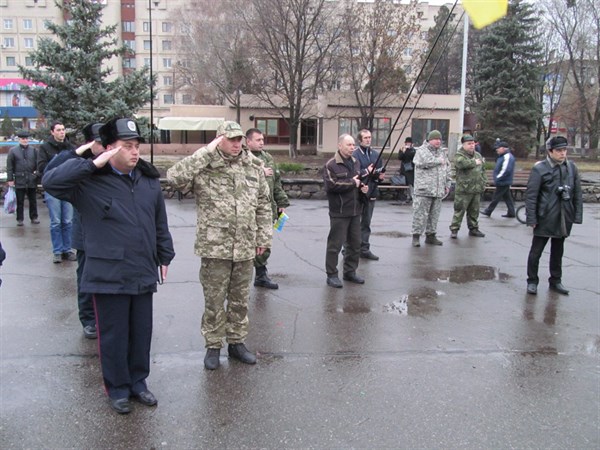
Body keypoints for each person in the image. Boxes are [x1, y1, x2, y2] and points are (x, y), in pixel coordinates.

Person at [42, 118, 175, 414]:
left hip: (141, 268)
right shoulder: (87, 182)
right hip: (107, 273)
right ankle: (117, 387)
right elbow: (50, 180)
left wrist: (165, 255)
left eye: (137, 146)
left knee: (141, 331)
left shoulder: (148, 180)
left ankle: (138, 382)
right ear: (110, 150)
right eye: (127, 146)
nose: (135, 152)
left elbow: (159, 222)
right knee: (114, 334)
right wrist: (89, 159)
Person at [167, 121, 272, 371]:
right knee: (214, 299)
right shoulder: (204, 166)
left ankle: (236, 343)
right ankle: (213, 346)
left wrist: (263, 238)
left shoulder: (253, 167)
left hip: (246, 244)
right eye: (231, 139)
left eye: (239, 140)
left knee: (240, 299)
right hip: (215, 246)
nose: (237, 144)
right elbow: (173, 177)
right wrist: (206, 151)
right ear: (219, 139)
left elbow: (263, 205)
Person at [44, 123, 105, 339]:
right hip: (85, 234)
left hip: (107, 234)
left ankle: (107, 318)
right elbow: (50, 173)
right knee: (86, 279)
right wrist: (76, 152)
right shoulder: (80, 164)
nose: (103, 146)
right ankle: (89, 320)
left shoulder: (109, 160)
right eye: (98, 142)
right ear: (89, 143)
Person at [525, 136, 582, 296]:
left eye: (564, 150)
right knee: (536, 252)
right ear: (550, 151)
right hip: (545, 217)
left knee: (558, 252)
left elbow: (577, 192)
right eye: (559, 150)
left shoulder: (571, 168)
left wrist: (576, 215)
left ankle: (556, 280)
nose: (563, 153)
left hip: (564, 217)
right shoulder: (540, 169)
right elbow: (531, 195)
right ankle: (532, 281)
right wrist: (532, 218)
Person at [245, 128, 290, 289]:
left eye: (263, 140)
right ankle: (239, 280)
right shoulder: (243, 158)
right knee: (246, 245)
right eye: (258, 140)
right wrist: (258, 170)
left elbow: (276, 183)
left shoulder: (268, 158)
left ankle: (261, 275)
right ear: (248, 141)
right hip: (248, 211)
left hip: (267, 209)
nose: (262, 143)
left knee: (264, 244)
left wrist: (281, 203)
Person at [323, 134, 369, 288]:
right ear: (339, 145)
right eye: (348, 145)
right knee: (335, 245)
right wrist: (352, 183)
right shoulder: (331, 165)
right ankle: (332, 274)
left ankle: (350, 272)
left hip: (355, 211)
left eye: (353, 145)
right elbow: (331, 185)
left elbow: (358, 181)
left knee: (355, 244)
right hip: (339, 212)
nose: (352, 148)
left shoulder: (355, 162)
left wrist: (362, 188)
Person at [37, 121, 77, 263]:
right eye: (59, 130)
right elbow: (41, 167)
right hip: (53, 189)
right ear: (52, 132)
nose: (62, 132)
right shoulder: (45, 148)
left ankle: (67, 249)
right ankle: (57, 251)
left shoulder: (70, 148)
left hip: (68, 188)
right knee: (56, 221)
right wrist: (58, 163)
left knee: (68, 221)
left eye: (63, 129)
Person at [411, 130, 451, 247]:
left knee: (434, 215)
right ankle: (416, 236)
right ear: (429, 140)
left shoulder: (442, 153)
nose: (438, 141)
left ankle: (431, 235)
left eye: (440, 139)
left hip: (438, 190)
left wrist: (447, 184)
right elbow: (423, 162)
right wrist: (438, 161)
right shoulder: (422, 151)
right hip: (424, 190)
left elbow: (447, 168)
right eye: (435, 139)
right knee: (420, 214)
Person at [352, 129, 384, 260]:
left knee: (366, 222)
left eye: (369, 137)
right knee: (353, 223)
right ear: (360, 140)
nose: (368, 140)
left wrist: (380, 176)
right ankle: (349, 249)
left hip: (371, 192)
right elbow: (353, 173)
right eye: (365, 138)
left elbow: (378, 173)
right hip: (357, 193)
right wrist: (367, 171)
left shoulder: (376, 154)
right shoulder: (354, 155)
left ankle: (364, 249)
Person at [449, 134, 487, 238]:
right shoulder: (459, 155)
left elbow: (483, 170)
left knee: (474, 211)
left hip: (476, 188)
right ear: (463, 145)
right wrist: (474, 162)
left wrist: (483, 182)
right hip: (464, 190)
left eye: (473, 143)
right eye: (469, 144)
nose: (472, 145)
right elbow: (461, 164)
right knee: (459, 210)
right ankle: (454, 229)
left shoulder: (478, 155)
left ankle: (474, 229)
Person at [6, 130, 39, 226]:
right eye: (23, 139)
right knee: (20, 201)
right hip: (19, 180)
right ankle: (20, 219)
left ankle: (34, 217)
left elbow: (38, 164)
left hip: (31, 179)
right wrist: (10, 179)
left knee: (33, 200)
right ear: (19, 139)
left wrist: (36, 174)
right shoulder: (13, 151)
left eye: (26, 139)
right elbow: (10, 166)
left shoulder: (33, 150)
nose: (25, 140)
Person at [481, 140, 516, 218]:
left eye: (498, 148)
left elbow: (506, 170)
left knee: (496, 197)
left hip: (503, 181)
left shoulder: (507, 157)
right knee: (507, 198)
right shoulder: (503, 156)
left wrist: (497, 178)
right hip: (504, 181)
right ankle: (511, 212)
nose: (497, 149)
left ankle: (488, 211)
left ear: (503, 148)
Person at [398, 136, 416, 204]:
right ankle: (407, 196)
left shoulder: (413, 150)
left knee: (411, 183)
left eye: (409, 143)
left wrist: (409, 150)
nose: (408, 144)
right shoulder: (402, 149)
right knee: (406, 183)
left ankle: (411, 196)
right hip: (404, 169)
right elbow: (400, 157)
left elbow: (413, 157)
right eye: (407, 143)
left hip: (411, 170)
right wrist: (404, 151)